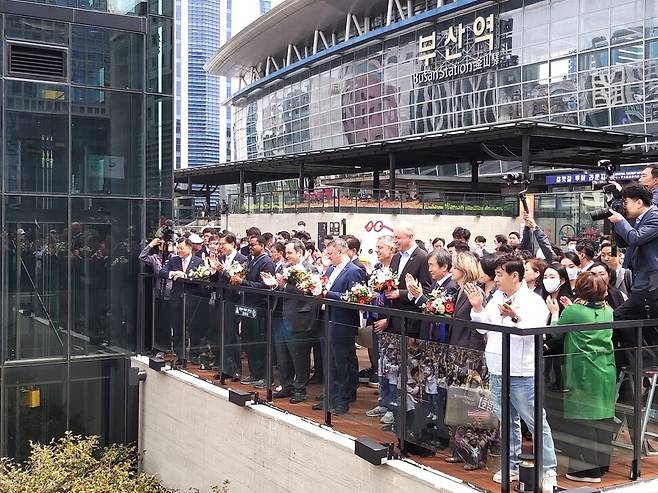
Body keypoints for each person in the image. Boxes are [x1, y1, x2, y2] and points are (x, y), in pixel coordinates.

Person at [464, 255, 558, 491]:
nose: (496, 279)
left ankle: (548, 471)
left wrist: (515, 316)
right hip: (497, 367)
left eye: (499, 274)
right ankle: (512, 465)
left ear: (514, 276)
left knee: (536, 421)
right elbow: (482, 326)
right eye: (495, 274)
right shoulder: (497, 297)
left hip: (521, 371)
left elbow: (536, 329)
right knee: (506, 420)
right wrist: (477, 307)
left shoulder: (533, 301)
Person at [547, 272, 616, 483]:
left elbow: (555, 333)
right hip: (606, 369)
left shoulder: (575, 311)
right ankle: (602, 466)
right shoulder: (609, 310)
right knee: (602, 418)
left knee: (581, 420)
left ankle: (585, 471)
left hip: (582, 371)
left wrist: (556, 312)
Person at [318, 238, 367, 415]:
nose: (328, 257)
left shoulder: (354, 271)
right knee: (328, 360)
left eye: (330, 253)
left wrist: (327, 293)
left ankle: (343, 399)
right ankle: (330, 396)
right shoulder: (331, 269)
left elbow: (354, 298)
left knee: (342, 362)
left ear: (340, 252)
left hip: (342, 322)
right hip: (326, 318)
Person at [267, 240, 317, 404]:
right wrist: (275, 284)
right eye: (286, 253)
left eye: (290, 253)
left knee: (299, 355)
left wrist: (285, 285)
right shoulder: (283, 267)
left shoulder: (310, 268)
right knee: (282, 355)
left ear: (299, 253)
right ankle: (286, 384)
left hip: (299, 317)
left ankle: (299, 389)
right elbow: (281, 286)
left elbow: (310, 291)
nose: (286, 256)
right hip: (280, 315)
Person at [609, 183, 658, 321]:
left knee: (621, 316)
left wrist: (620, 220)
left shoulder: (654, 217)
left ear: (639, 203)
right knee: (624, 317)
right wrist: (616, 222)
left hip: (651, 284)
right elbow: (623, 242)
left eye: (626, 202)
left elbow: (635, 238)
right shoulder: (639, 219)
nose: (624, 206)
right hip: (643, 284)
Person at [237, 235, 276, 390]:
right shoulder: (251, 260)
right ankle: (255, 373)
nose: (250, 247)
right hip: (248, 306)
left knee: (260, 343)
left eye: (253, 245)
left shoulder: (266, 262)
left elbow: (266, 286)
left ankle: (265, 376)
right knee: (249, 341)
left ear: (262, 245)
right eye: (249, 245)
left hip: (260, 308)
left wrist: (244, 282)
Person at [385, 223, 432, 337]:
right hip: (394, 319)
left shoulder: (423, 257)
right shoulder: (396, 257)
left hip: (411, 321)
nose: (395, 241)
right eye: (394, 237)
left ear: (410, 237)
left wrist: (400, 294)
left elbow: (426, 290)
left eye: (398, 237)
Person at [407, 248, 457, 341]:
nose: (429, 270)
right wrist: (413, 292)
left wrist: (419, 296)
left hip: (439, 338)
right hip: (427, 335)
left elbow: (438, 311)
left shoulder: (451, 287)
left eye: (431, 265)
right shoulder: (435, 283)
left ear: (444, 267)